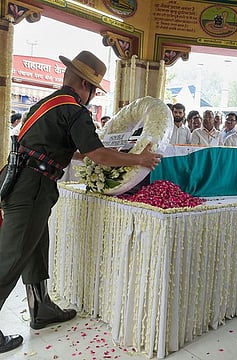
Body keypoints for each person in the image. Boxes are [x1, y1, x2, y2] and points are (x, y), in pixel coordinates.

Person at [0, 51, 161, 354]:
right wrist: (138, 158)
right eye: (93, 90)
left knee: (34, 247)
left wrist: (92, 153)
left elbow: (69, 149)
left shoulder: (45, 104)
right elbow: (96, 154)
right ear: (85, 86)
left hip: (22, 179)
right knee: (11, 256)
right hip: (32, 186)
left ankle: (41, 307)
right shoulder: (74, 111)